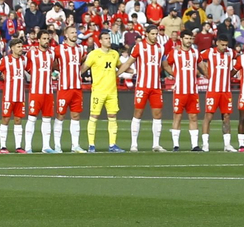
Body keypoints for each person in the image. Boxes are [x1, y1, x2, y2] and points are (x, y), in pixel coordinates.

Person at [122, 25, 167, 153]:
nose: (155, 36)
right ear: (146, 34)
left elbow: (164, 65)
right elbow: (128, 63)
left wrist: (176, 74)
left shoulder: (160, 48)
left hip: (156, 86)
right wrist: (117, 73)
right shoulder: (139, 47)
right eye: (152, 34)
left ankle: (156, 145)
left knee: (157, 114)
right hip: (142, 85)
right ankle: (134, 144)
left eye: (156, 34)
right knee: (138, 113)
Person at [83, 33, 124, 152]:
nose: (108, 40)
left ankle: (112, 144)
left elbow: (120, 66)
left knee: (112, 116)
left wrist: (134, 70)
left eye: (109, 38)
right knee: (94, 116)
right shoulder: (94, 54)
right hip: (98, 91)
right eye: (105, 38)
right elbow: (83, 69)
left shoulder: (114, 54)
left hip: (112, 91)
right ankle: (91, 145)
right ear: (100, 41)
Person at [54, 27, 88, 154]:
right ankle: (57, 145)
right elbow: (52, 63)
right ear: (66, 35)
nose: (75, 34)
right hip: (64, 87)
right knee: (60, 115)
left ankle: (75, 145)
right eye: (72, 33)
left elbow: (84, 62)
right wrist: (60, 70)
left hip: (77, 88)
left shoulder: (80, 49)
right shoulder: (59, 49)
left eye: (76, 32)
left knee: (76, 115)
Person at [166, 32, 202, 152]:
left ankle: (195, 145)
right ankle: (176, 145)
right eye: (186, 38)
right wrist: (174, 74)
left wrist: (207, 75)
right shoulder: (175, 52)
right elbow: (165, 64)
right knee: (178, 117)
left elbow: (202, 65)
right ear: (181, 39)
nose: (189, 41)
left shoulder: (195, 53)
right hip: (180, 90)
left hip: (193, 90)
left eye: (190, 38)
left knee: (193, 117)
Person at [24, 32, 58, 154]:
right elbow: (25, 65)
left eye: (48, 39)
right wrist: (32, 72)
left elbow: (54, 67)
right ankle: (28, 147)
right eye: (44, 38)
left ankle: (46, 146)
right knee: (32, 118)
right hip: (35, 91)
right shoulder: (31, 52)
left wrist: (54, 74)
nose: (46, 41)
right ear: (38, 40)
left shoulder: (52, 53)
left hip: (48, 91)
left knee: (47, 119)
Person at [201, 35, 235, 152]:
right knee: (209, 116)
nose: (224, 47)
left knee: (226, 117)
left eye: (226, 45)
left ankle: (227, 145)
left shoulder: (230, 52)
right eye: (222, 45)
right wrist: (204, 71)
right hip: (213, 90)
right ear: (217, 43)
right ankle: (205, 144)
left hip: (226, 91)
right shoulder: (209, 52)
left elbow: (242, 57)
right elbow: (196, 59)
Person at [0, 39, 28, 153]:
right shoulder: (5, 60)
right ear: (12, 48)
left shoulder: (24, 60)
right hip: (9, 95)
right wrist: (3, 78)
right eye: (18, 47)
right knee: (5, 118)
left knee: (18, 119)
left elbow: (29, 70)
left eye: (21, 46)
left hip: (20, 95)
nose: (21, 49)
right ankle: (3, 146)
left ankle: (18, 146)